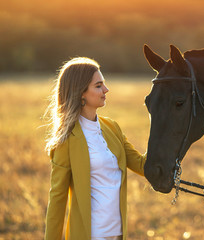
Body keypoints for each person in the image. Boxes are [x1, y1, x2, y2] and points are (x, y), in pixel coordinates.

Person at [44, 57, 146, 240]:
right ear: (81, 92)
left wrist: (170, 137)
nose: (106, 90)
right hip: (90, 235)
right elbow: (57, 199)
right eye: (98, 85)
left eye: (104, 84)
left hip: (118, 233)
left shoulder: (112, 128)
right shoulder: (66, 140)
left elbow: (141, 165)